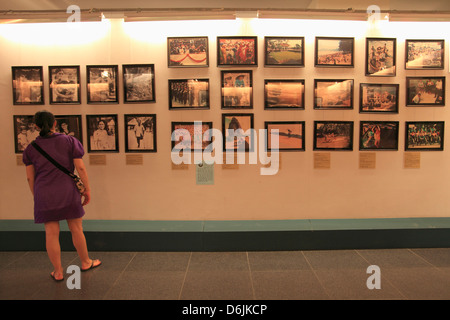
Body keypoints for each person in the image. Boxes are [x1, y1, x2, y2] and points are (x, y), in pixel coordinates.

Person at [23, 110, 101, 282]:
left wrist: (37, 196)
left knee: (51, 233)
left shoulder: (31, 149)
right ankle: (86, 262)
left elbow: (30, 177)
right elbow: (80, 168)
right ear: (55, 123)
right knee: (76, 229)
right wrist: (86, 189)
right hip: (68, 190)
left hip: (44, 193)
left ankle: (58, 272)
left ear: (36, 126)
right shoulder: (69, 141)